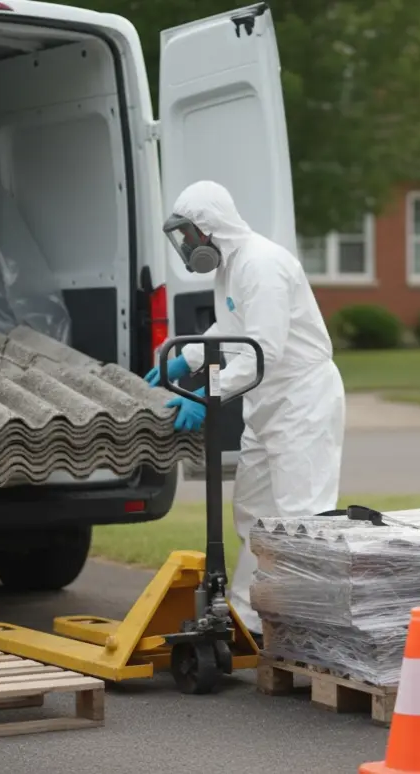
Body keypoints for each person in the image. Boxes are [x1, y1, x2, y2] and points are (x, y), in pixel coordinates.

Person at [145, 180, 346, 642]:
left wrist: (204, 394)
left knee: (302, 520)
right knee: (253, 513)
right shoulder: (231, 267)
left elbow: (262, 351)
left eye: (189, 235)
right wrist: (187, 359)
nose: (186, 245)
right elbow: (231, 325)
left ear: (211, 228)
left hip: (302, 402)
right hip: (267, 403)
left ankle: (306, 634)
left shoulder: (264, 265)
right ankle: (248, 621)